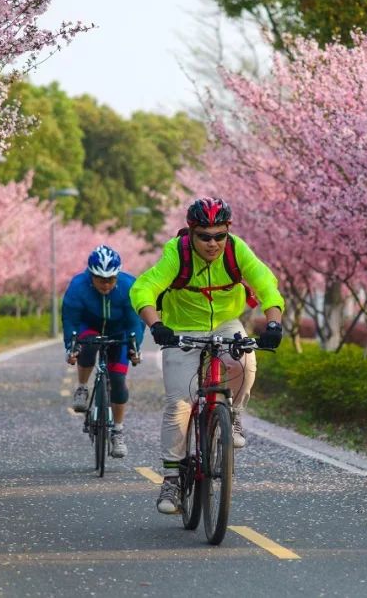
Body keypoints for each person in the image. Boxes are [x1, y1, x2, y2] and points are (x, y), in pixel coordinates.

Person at [130, 197, 284, 514]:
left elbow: (266, 284)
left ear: (228, 231)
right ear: (191, 232)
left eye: (219, 235)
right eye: (204, 236)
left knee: (245, 359)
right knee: (180, 403)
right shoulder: (177, 253)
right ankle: (172, 477)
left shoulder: (237, 250)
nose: (212, 243)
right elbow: (144, 288)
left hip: (225, 322)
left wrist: (273, 323)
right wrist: (156, 324)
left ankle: (235, 416)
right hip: (180, 328)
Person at [62, 245, 144, 459]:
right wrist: (71, 347)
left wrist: (135, 348)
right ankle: (82, 387)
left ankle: (118, 431)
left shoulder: (129, 286)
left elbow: (135, 322)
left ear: (117, 276)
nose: (106, 284)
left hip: (120, 331)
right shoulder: (78, 286)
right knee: (87, 346)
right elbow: (70, 319)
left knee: (118, 380)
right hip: (89, 326)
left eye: (111, 279)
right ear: (91, 276)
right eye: (101, 279)